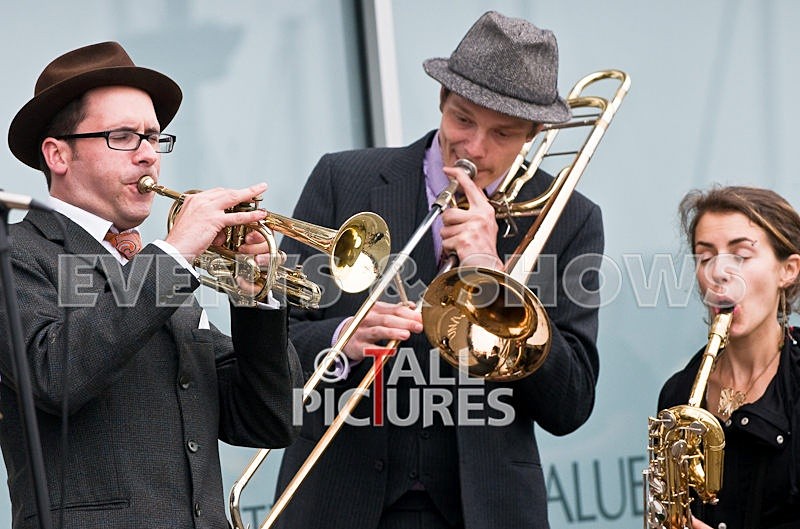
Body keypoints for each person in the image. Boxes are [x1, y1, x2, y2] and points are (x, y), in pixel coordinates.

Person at [274, 11, 603, 529]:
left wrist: (495, 277)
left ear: (534, 134)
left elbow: (570, 404)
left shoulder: (570, 218)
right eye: (463, 120)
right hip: (340, 500)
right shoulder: (342, 179)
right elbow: (272, 350)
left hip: (487, 510)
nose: (474, 148)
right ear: (441, 102)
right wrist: (343, 337)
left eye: (503, 133)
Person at [0, 41, 302, 529]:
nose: (148, 157)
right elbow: (58, 376)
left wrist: (255, 297)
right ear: (58, 154)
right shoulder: (17, 251)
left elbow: (266, 418)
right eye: (123, 137)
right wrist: (174, 254)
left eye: (154, 138)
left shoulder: (155, 270)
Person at [657, 186, 800, 529]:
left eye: (741, 255)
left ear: (788, 270)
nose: (719, 272)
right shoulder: (678, 395)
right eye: (705, 257)